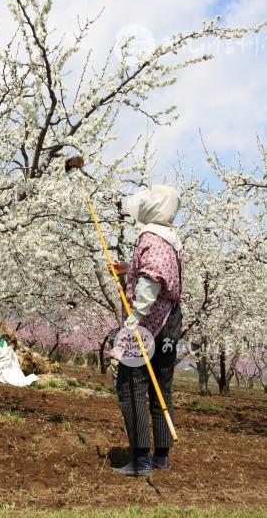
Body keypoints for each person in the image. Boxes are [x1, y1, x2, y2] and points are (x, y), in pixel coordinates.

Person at [109, 184, 183, 476]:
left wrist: (135, 319)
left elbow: (151, 282)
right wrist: (128, 270)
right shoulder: (172, 240)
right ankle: (160, 457)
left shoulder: (151, 238)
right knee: (161, 389)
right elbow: (157, 275)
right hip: (170, 326)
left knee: (131, 386)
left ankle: (140, 461)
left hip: (148, 325)